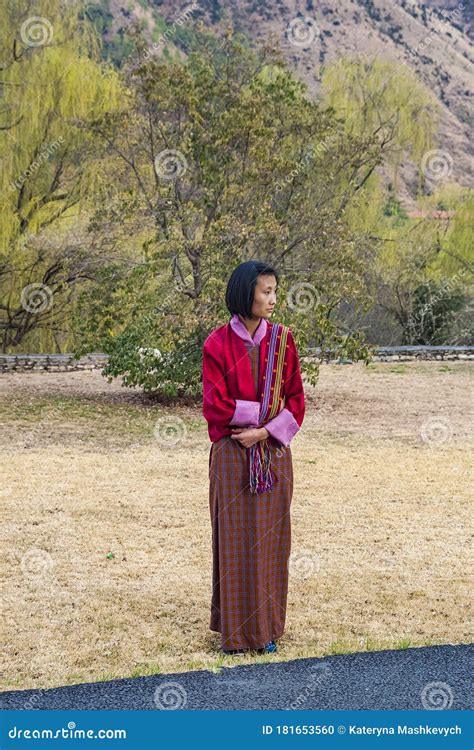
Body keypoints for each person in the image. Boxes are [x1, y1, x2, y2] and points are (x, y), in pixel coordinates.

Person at [202, 260, 305, 656]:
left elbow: (296, 400)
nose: (273, 299)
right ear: (246, 293)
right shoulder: (216, 344)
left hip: (273, 453)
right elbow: (215, 403)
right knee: (235, 539)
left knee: (270, 540)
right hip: (230, 454)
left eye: (275, 291)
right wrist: (254, 420)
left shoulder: (284, 340)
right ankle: (235, 633)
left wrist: (263, 430)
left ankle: (266, 630)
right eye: (266, 291)